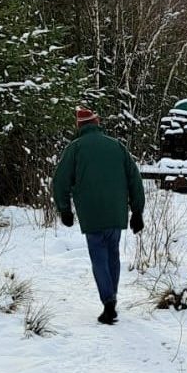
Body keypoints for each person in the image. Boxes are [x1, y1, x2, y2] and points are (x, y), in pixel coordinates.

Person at [52, 107, 146, 325]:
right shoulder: (116, 146)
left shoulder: (74, 149)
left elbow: (60, 180)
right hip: (116, 212)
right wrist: (137, 211)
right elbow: (135, 179)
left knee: (99, 257)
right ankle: (111, 298)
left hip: (92, 214)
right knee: (113, 254)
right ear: (97, 122)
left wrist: (64, 209)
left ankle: (108, 301)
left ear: (79, 126)